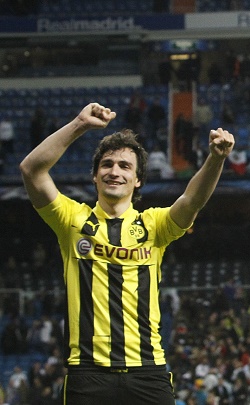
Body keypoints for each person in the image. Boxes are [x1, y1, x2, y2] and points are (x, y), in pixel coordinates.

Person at [19, 102, 235, 405]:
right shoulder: (72, 220)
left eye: (125, 166)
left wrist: (216, 159)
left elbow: (192, 200)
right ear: (95, 176)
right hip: (87, 373)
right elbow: (31, 170)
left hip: (148, 372)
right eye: (106, 165)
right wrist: (79, 125)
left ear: (138, 180)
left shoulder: (154, 225)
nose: (114, 171)